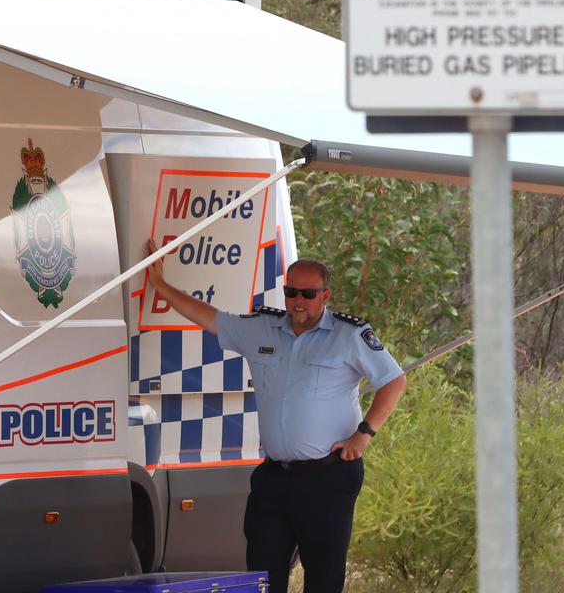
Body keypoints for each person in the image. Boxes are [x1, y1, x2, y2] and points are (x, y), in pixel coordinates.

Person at [146, 242, 406, 593]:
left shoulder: (349, 335)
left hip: (327, 479)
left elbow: (393, 380)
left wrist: (364, 433)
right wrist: (162, 286)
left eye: (308, 293)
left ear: (326, 295)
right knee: (262, 580)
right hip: (274, 480)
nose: (298, 300)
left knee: (324, 581)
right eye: (291, 291)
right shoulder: (262, 328)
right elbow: (209, 318)